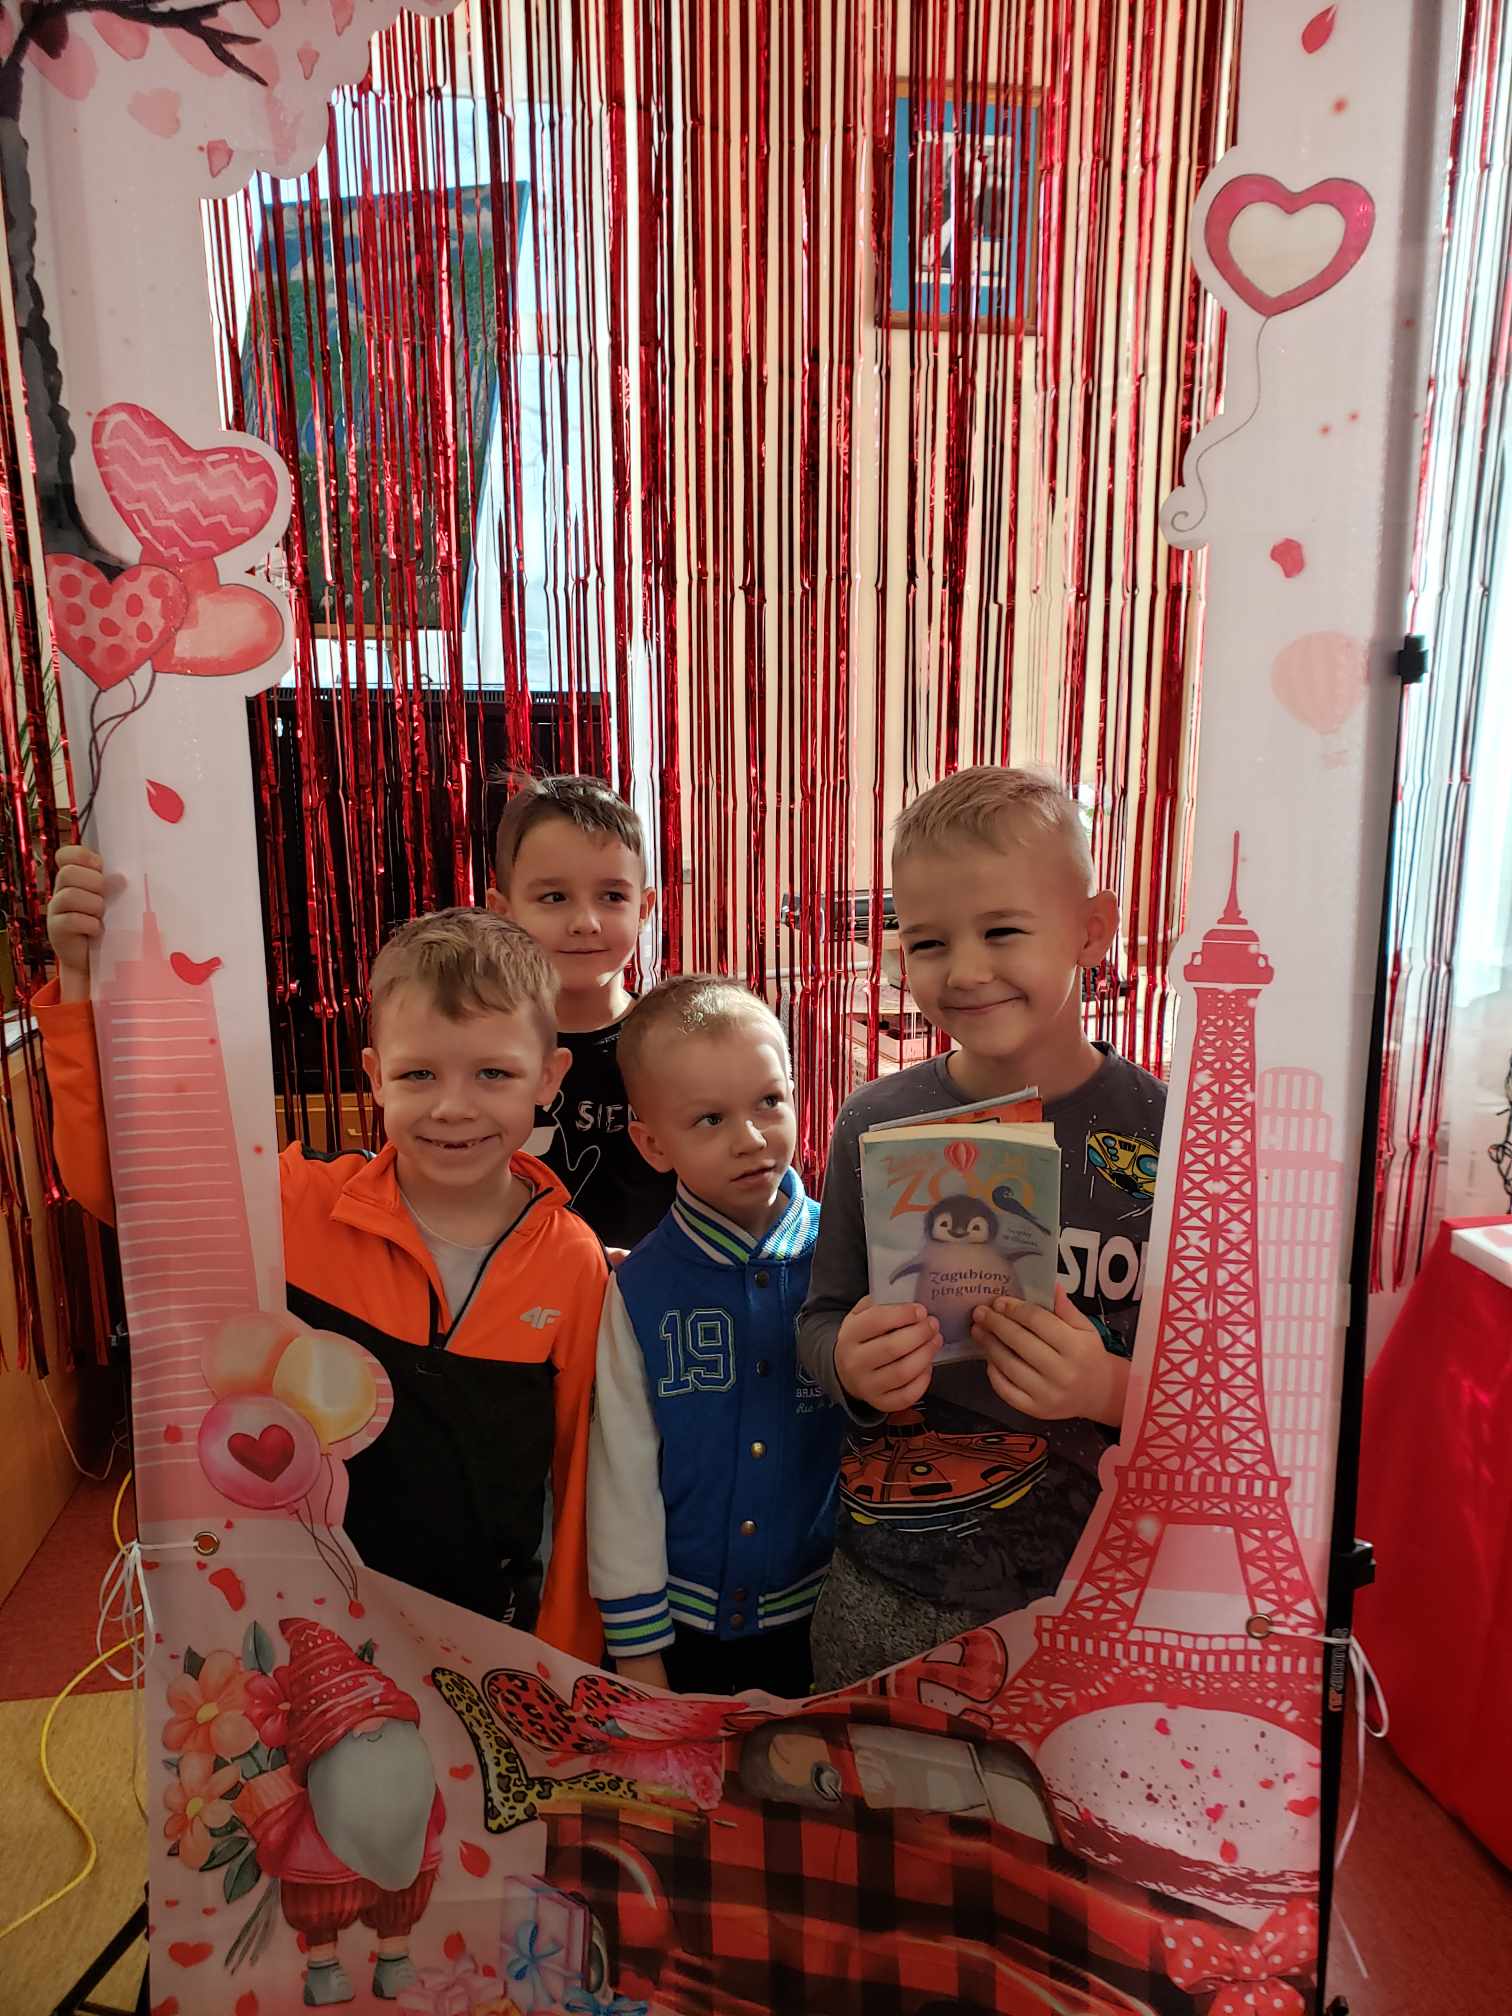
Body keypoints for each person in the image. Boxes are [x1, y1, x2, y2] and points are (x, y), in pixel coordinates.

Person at [41, 849, 606, 1662]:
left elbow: (583, 1480)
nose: (453, 1107)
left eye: (493, 1073)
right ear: (374, 1076)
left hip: (490, 1641)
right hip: (313, 1637)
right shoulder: (298, 1205)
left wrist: (562, 1660)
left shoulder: (572, 1262)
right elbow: (127, 1191)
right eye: (419, 1074)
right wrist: (78, 979)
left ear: (548, 1078)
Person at [798, 766, 1166, 1691]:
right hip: (887, 1585)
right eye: (929, 942)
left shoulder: (1172, 1136)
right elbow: (819, 1318)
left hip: (1094, 1595)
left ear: (1092, 929)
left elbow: (1216, 1393)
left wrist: (1107, 1387)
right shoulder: (874, 1119)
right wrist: (848, 1363)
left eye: (1002, 931)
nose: (964, 971)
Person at [587, 976, 843, 1698]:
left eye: (769, 1101)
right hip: (679, 1634)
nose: (752, 1139)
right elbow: (621, 1474)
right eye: (709, 1119)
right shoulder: (638, 1289)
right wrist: (637, 1648)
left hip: (827, 1617)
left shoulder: (847, 1254)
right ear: (652, 1144)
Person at [488, 773, 676, 1253]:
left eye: (612, 896)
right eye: (554, 897)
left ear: (644, 908)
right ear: (503, 912)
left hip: (656, 1291)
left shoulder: (680, 1042)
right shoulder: (482, 1052)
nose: (585, 922)